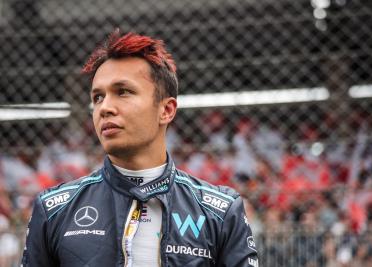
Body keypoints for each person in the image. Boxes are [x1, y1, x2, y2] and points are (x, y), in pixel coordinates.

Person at [21, 29, 259, 267]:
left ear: (166, 110)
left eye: (123, 92)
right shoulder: (54, 209)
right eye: (98, 97)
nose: (105, 108)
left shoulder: (221, 211)